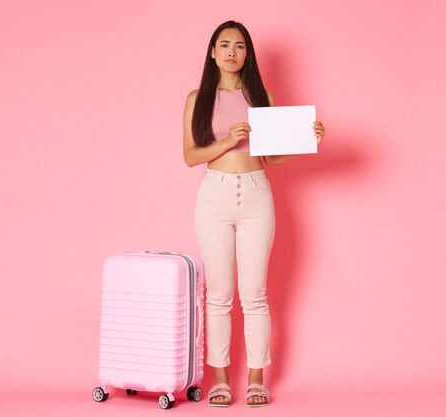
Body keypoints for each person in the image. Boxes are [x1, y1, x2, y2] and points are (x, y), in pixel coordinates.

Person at [182, 20, 325, 407]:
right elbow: (190, 156)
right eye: (224, 45)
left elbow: (269, 156)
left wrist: (304, 141)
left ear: (248, 53)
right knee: (219, 295)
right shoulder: (199, 98)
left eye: (240, 46)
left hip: (258, 194)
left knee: (255, 295)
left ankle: (257, 380)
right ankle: (221, 379)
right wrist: (227, 140)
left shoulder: (262, 97)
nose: (232, 52)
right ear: (212, 52)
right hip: (215, 195)